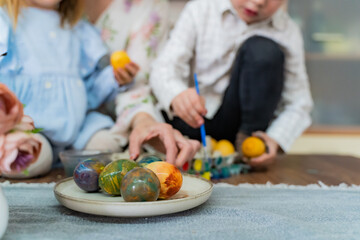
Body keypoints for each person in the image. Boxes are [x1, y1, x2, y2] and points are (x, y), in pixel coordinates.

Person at [150, 0, 313, 168]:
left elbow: (300, 102)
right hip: (192, 120)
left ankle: (247, 151)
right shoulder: (200, 9)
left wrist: (275, 139)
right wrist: (176, 94)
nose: (258, 2)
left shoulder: (288, 32)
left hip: (241, 132)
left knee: (264, 51)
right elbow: (164, 67)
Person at [0, 0, 133, 178]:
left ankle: (79, 169)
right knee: (28, 157)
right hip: (32, 127)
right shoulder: (6, 20)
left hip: (78, 128)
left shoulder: (77, 27)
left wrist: (115, 78)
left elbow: (90, 91)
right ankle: (45, 158)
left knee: (107, 145)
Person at [84, 0, 200, 167]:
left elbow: (137, 85)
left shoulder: (150, 6)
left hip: (103, 129)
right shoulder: (47, 8)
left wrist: (144, 121)